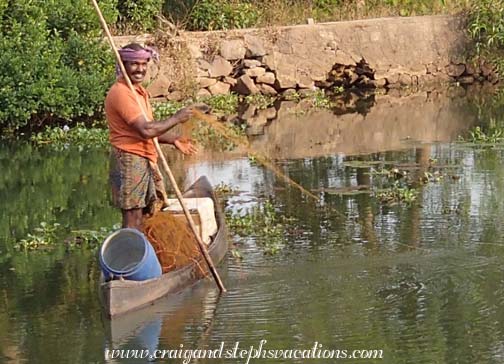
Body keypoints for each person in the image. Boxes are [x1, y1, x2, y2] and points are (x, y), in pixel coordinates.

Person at [105, 43, 197, 230]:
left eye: (144, 64)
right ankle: (130, 257)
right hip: (129, 158)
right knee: (133, 216)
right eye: (134, 64)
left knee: (146, 212)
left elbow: (151, 130)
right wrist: (177, 118)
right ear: (123, 65)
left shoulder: (139, 92)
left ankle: (143, 253)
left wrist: (173, 139)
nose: (140, 69)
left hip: (143, 157)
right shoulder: (121, 93)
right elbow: (145, 130)